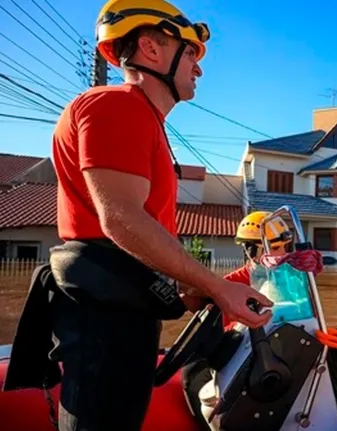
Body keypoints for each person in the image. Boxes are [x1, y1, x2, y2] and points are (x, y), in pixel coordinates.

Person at [45, 1, 273, 429]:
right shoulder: (118, 106)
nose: (199, 69)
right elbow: (121, 220)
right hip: (105, 316)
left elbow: (132, 231)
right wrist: (216, 288)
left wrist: (190, 285)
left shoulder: (140, 117)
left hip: (119, 305)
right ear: (151, 48)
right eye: (190, 53)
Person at [181, 211, 293, 428]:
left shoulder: (292, 276)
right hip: (247, 352)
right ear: (252, 250)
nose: (283, 255)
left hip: (280, 348)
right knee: (191, 373)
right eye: (276, 248)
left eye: (286, 248)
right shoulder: (229, 286)